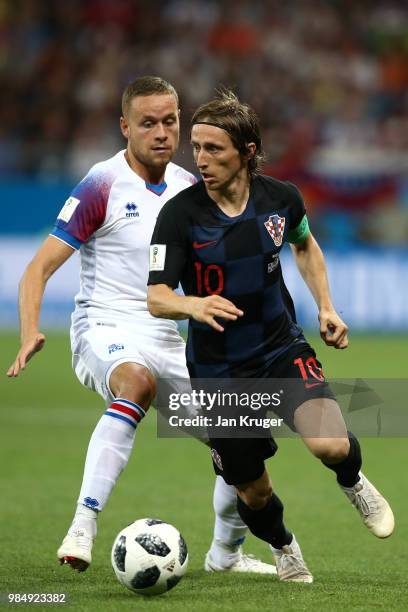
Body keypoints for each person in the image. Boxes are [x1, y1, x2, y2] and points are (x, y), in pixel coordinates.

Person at [7, 77, 276, 576]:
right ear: (125, 126)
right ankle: (83, 524)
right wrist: (29, 332)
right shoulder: (100, 184)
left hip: (167, 333)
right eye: (148, 123)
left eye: (170, 121)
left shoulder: (191, 189)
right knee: (136, 382)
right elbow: (37, 269)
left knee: (240, 434)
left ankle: (227, 555)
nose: (161, 133)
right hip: (104, 326)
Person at [147, 90, 395, 583]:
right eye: (196, 147)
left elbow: (304, 245)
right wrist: (191, 304)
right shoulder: (180, 215)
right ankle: (284, 546)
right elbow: (156, 296)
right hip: (218, 370)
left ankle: (354, 482)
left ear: (248, 151)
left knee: (331, 445)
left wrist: (325, 305)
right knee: (253, 491)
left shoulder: (281, 199)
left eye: (214, 149)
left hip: (280, 347)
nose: (200, 159)